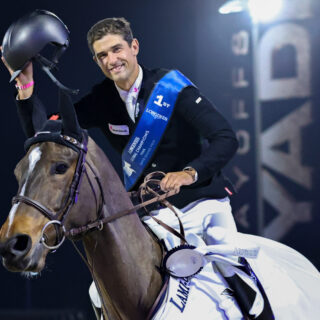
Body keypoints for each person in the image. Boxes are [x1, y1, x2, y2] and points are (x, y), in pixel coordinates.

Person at [3, 16, 271, 319]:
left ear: (134, 47)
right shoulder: (101, 99)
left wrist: (188, 173)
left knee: (229, 261)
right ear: (95, 60)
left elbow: (225, 138)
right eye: (102, 55)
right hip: (151, 214)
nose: (111, 60)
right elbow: (48, 137)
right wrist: (25, 86)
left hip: (202, 205)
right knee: (97, 290)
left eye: (117, 50)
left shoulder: (171, 87)